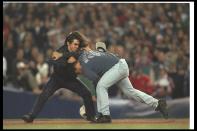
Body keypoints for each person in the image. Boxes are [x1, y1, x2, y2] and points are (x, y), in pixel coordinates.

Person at [70, 43, 168, 123]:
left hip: (117, 67)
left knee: (101, 86)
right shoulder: (90, 55)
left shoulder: (85, 63)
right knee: (130, 92)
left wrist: (93, 99)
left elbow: (96, 81)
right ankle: (158, 103)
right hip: (120, 65)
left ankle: (105, 115)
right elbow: (100, 45)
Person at [22, 31, 96, 123]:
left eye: (77, 44)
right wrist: (69, 60)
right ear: (68, 43)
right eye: (74, 44)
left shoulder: (76, 50)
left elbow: (85, 48)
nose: (77, 46)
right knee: (44, 95)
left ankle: (91, 117)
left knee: (87, 93)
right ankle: (31, 116)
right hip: (57, 79)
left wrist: (72, 55)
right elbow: (58, 65)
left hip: (71, 80)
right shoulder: (59, 51)